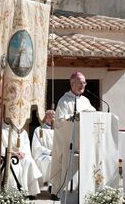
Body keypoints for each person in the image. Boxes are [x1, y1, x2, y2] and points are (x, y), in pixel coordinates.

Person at [50, 71, 96, 200]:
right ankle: (62, 192)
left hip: (83, 141)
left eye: (84, 83)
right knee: (66, 166)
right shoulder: (64, 101)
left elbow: (93, 113)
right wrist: (73, 117)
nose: (83, 85)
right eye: (80, 83)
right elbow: (58, 121)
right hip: (68, 140)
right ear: (72, 84)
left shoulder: (86, 100)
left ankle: (81, 191)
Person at [0, 122, 42, 198]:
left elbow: (26, 144)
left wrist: (22, 152)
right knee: (13, 166)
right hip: (7, 156)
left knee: (29, 162)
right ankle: (14, 192)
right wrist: (11, 153)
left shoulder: (21, 131)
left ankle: (29, 191)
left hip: (20, 156)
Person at [31, 110, 55, 188]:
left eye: (53, 117)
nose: (52, 119)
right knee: (50, 160)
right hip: (43, 155)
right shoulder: (39, 130)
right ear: (45, 117)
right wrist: (49, 152)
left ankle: (56, 185)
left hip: (55, 154)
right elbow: (37, 146)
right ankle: (50, 185)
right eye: (50, 117)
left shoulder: (58, 130)